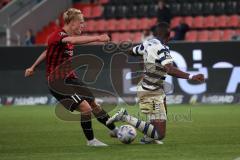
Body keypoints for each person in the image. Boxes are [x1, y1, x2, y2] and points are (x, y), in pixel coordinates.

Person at [25, 8, 118, 147]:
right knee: (86, 108)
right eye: (81, 22)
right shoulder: (59, 35)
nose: (83, 25)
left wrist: (33, 67)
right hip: (57, 82)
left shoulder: (63, 40)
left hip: (71, 78)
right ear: (71, 23)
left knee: (94, 104)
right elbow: (73, 40)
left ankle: (116, 130)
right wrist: (98, 38)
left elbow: (47, 52)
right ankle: (91, 141)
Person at [106, 22, 205, 144]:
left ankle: (148, 138)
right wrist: (191, 76)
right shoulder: (162, 49)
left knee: (161, 114)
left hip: (152, 88)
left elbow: (132, 51)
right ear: (169, 37)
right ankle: (125, 116)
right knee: (160, 134)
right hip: (151, 90)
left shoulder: (147, 43)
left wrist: (140, 56)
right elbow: (170, 69)